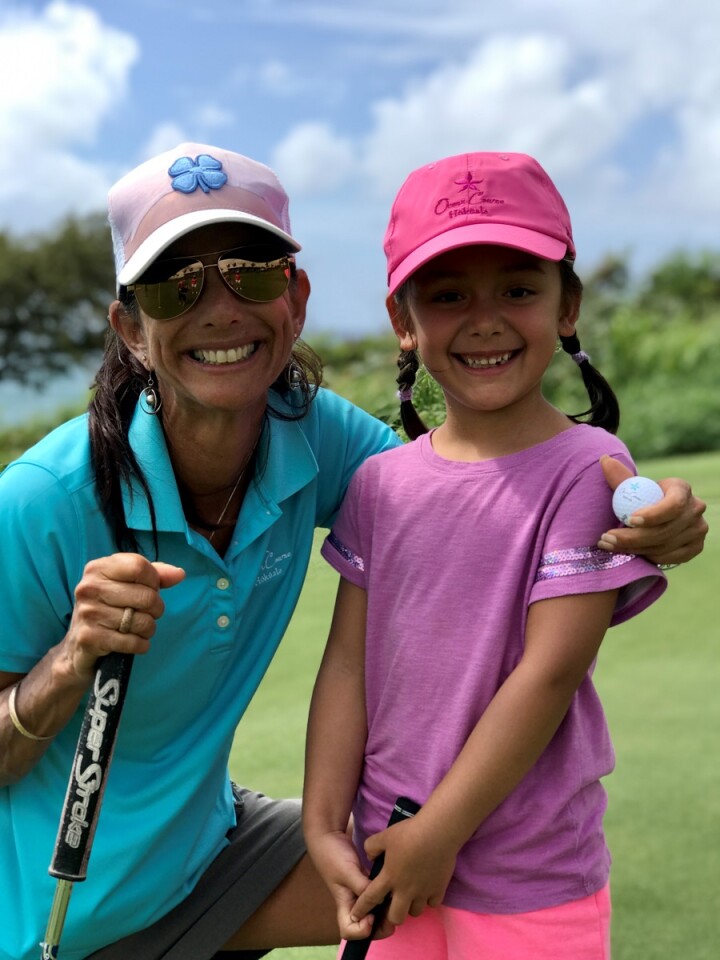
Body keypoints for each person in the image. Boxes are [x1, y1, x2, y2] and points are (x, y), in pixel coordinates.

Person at [0, 144, 706, 960]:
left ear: (295, 299)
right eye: (175, 285)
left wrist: (655, 518)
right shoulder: (41, 500)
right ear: (130, 326)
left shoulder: (320, 438)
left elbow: (471, 495)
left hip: (210, 855)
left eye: (251, 274)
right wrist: (70, 661)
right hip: (60, 912)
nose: (221, 310)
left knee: (409, 861)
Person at [302, 152, 695, 960]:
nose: (485, 321)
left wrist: (439, 834)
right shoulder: (378, 484)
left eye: (518, 290)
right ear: (404, 320)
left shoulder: (587, 469)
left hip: (528, 876)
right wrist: (321, 823)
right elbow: (346, 665)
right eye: (449, 296)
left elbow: (548, 674)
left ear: (567, 307)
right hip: (389, 856)